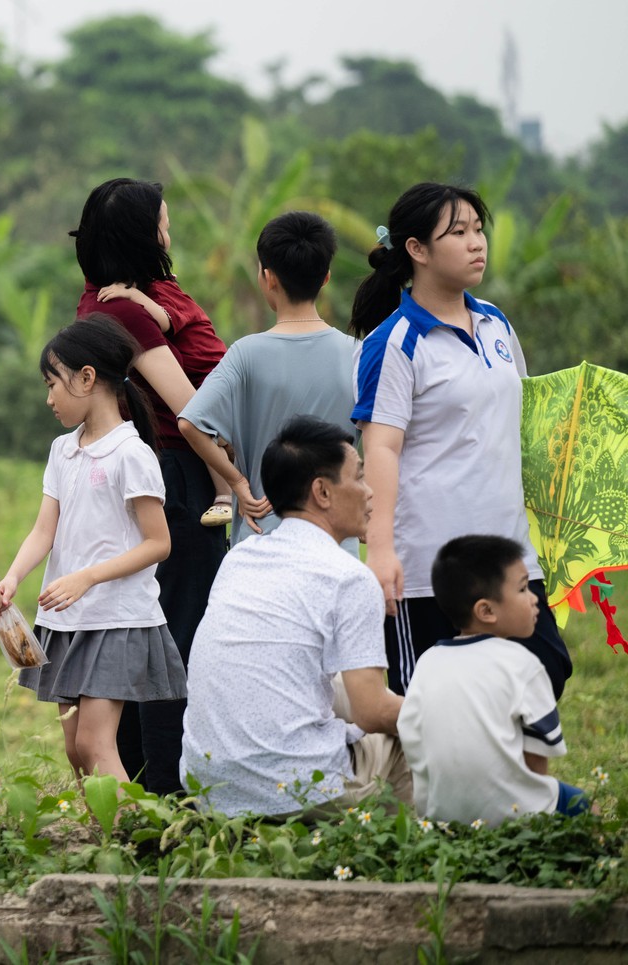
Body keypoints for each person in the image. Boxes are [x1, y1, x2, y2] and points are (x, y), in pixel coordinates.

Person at [349, 182, 571, 700]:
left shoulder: (496, 323)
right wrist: (380, 551)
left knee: (542, 674)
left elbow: (517, 423)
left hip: (508, 553)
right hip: (430, 563)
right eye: (459, 233)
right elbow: (380, 448)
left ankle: (510, 782)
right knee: (431, 698)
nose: (477, 243)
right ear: (417, 250)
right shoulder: (395, 342)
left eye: (478, 230)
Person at [70, 177, 227, 794]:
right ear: (144, 236)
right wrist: (232, 478)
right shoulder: (126, 310)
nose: (169, 231)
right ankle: (165, 790)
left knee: (137, 626)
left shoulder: (99, 301)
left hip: (128, 472)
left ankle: (133, 782)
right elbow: (192, 411)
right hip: (174, 469)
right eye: (162, 222)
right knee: (174, 635)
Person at [182, 416, 408, 817]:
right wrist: (446, 713)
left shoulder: (239, 558)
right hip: (294, 794)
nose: (370, 493)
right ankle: (404, 855)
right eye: (358, 477)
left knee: (336, 684)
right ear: (322, 492)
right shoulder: (350, 577)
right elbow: (372, 711)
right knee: (415, 737)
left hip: (209, 790)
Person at [0, 315, 185, 783]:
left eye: (52, 384)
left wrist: (88, 577)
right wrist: (13, 578)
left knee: (94, 745)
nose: (48, 398)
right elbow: (45, 530)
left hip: (115, 618)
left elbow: (159, 543)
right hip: (66, 619)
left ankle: (134, 847)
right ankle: (106, 844)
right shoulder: (63, 450)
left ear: (86, 378)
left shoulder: (131, 453)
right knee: (74, 750)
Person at [178, 211, 361, 553]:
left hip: (261, 541)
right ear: (326, 278)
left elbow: (191, 424)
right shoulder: (358, 355)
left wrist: (238, 484)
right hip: (335, 544)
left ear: (267, 277)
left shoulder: (246, 354)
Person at [398, 535, 586, 825]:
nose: (535, 598)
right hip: (516, 817)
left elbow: (411, 734)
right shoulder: (524, 664)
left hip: (439, 818)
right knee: (584, 805)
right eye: (523, 588)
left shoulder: (426, 662)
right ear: (486, 610)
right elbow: (538, 763)